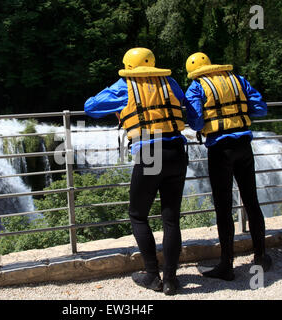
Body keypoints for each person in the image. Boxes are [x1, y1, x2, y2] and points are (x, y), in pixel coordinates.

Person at [84, 48, 190, 295]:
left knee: (138, 214)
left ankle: (152, 276)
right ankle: (171, 280)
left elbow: (90, 106)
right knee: (171, 217)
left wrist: (121, 107)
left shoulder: (125, 85)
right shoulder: (169, 82)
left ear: (127, 67)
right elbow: (182, 101)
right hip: (176, 149)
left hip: (150, 151)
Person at [184, 52, 272, 281]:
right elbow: (260, 108)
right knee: (251, 201)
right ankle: (261, 256)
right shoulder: (238, 80)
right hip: (244, 145)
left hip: (220, 149)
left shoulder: (196, 87)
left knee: (223, 207)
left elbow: (196, 121)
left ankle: (226, 264)